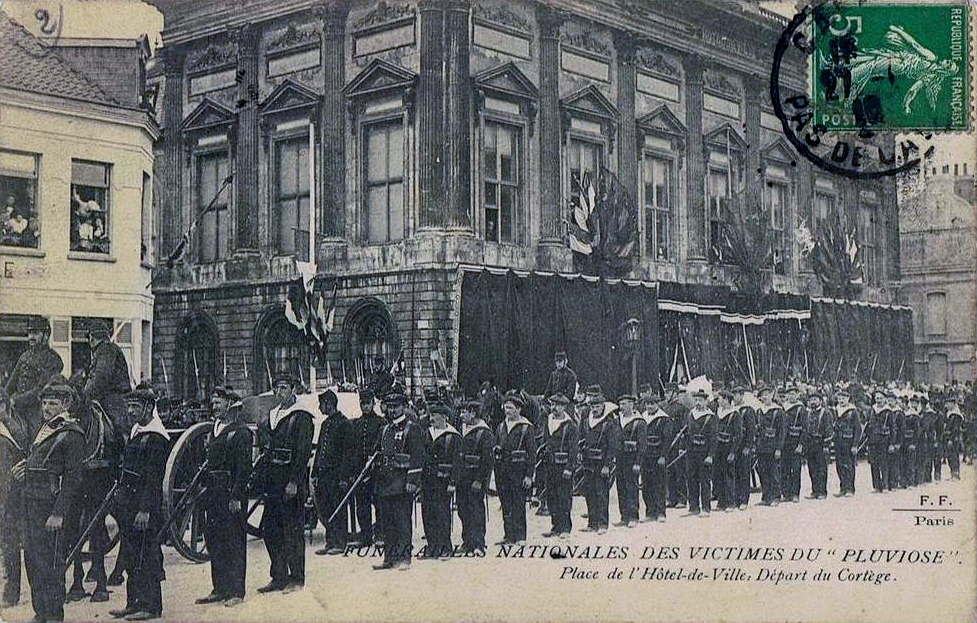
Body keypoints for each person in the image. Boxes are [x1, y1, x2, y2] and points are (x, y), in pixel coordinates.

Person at [18, 382, 86, 623]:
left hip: (50, 508)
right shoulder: (43, 429)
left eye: (53, 403)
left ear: (65, 404)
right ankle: (41, 613)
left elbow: (73, 478)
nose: (46, 408)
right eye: (44, 403)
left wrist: (59, 513)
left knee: (52, 565)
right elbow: (41, 462)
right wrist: (24, 469)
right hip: (31, 504)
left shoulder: (72, 433)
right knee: (32, 561)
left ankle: (54, 616)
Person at [108, 386, 168, 621]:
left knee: (147, 554)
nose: (130, 411)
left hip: (144, 506)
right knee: (132, 554)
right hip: (129, 504)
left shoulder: (156, 438)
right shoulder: (137, 431)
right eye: (129, 406)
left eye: (135, 407)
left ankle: (151, 605)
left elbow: (153, 479)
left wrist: (145, 510)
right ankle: (133, 602)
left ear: (149, 408)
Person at [255, 373, 314, 592]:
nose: (280, 393)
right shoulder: (272, 416)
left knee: (292, 530)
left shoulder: (302, 417)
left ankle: (297, 577)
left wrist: (294, 482)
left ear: (293, 390)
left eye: (284, 388)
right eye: (277, 389)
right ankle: (279, 576)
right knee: (271, 529)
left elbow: (302, 452)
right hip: (272, 482)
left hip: (290, 481)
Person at [196, 387, 253, 608]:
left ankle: (236, 590)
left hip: (231, 494)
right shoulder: (215, 431)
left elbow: (244, 468)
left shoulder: (241, 432)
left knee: (234, 542)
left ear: (231, 404)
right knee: (215, 541)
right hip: (214, 494)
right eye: (214, 402)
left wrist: (237, 496)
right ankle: (219, 588)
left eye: (218, 402)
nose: (214, 406)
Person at [372, 392, 425, 570]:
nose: (392, 410)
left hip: (402, 482)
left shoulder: (412, 428)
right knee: (387, 521)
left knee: (402, 520)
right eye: (389, 406)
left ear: (403, 407)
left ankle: (404, 557)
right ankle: (389, 557)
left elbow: (417, 457)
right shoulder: (385, 429)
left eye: (396, 406)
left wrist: (413, 480)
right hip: (385, 482)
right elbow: (377, 452)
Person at [4, 317, 64, 438]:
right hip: (16, 405)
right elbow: (11, 383)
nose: (31, 337)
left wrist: (15, 401)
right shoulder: (24, 356)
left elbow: (40, 390)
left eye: (35, 333)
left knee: (34, 439)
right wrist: (3, 397)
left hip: (36, 409)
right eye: (30, 332)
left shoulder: (52, 359)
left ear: (46, 335)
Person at [313, 389, 354, 556]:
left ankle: (341, 542)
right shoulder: (325, 424)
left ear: (329, 404)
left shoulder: (344, 424)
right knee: (326, 509)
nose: (319, 407)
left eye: (321, 404)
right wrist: (315, 472)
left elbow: (348, 453)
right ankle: (330, 541)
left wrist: (344, 477)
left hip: (336, 475)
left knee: (338, 508)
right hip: (324, 474)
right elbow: (320, 450)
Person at [493, 391, 537, 544]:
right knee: (505, 503)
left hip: (519, 472)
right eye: (506, 408)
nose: (508, 411)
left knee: (518, 503)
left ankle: (520, 536)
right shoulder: (501, 426)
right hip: (503, 471)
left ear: (519, 409)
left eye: (511, 408)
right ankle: (508, 535)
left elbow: (532, 454)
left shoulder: (526, 428)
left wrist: (529, 475)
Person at [0, 395, 31, 607]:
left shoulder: (4, 438)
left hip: (8, 499)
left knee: (10, 543)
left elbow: (6, 477)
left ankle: (11, 592)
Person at [420, 404, 461, 559]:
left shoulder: (453, 436)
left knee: (442, 513)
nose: (431, 420)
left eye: (435, 416)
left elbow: (458, 461)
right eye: (431, 416)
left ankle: (445, 546)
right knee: (427, 513)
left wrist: (453, 482)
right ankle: (432, 545)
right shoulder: (426, 434)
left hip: (443, 481)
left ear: (444, 417)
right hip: (427, 480)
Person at [578, 386, 621, 533]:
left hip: (602, 462)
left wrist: (607, 465)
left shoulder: (609, 423)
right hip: (588, 462)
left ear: (603, 406)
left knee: (601, 493)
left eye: (597, 406)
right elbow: (582, 439)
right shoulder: (586, 421)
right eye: (592, 406)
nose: (595, 409)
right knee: (589, 492)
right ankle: (592, 523)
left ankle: (603, 524)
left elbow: (613, 446)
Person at [457, 399, 495, 553]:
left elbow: (487, 460)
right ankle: (467, 542)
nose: (460, 415)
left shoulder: (484, 432)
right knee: (463, 509)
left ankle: (479, 543)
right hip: (462, 477)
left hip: (475, 478)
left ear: (473, 413)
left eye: (464, 412)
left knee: (476, 510)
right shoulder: (463, 429)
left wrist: (480, 480)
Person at [84, 321, 132, 441]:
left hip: (114, 398)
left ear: (91, 338)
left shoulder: (106, 349)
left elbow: (101, 377)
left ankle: (125, 453)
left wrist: (85, 394)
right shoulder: (104, 350)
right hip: (105, 396)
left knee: (118, 429)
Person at [540, 394, 578, 538]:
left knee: (564, 496)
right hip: (550, 465)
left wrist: (569, 468)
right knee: (551, 496)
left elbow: (574, 449)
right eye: (552, 404)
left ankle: (565, 528)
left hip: (563, 466)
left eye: (558, 405)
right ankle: (555, 526)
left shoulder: (570, 426)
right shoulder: (548, 422)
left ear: (564, 407)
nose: (554, 408)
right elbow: (544, 442)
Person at [349, 389, 384, 546]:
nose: (365, 407)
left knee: (379, 504)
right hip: (359, 471)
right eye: (362, 404)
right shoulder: (355, 424)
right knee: (361, 506)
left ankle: (381, 535)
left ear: (373, 403)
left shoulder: (381, 423)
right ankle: (365, 536)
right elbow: (352, 449)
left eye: (368, 403)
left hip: (376, 471)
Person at [640, 391, 673, 522]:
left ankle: (661, 512)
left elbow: (667, 439)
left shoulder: (664, 419)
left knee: (659, 484)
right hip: (645, 456)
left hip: (658, 455)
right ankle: (649, 512)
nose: (649, 407)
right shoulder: (642, 418)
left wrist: (663, 456)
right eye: (647, 404)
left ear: (657, 404)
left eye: (652, 404)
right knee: (646, 484)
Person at [614, 394, 646, 528]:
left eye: (625, 404)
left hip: (632, 458)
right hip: (620, 457)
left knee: (631, 487)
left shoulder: (639, 421)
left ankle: (633, 516)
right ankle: (624, 516)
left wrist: (638, 462)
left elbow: (642, 444)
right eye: (620, 404)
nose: (622, 407)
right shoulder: (617, 420)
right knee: (620, 486)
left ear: (632, 405)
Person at [685, 388, 716, 516]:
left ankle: (706, 508)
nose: (698, 402)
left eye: (700, 400)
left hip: (704, 452)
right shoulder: (691, 414)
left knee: (704, 480)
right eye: (696, 400)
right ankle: (694, 506)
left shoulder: (710, 417)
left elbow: (714, 438)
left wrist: (710, 455)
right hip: (692, 451)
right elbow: (686, 433)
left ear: (706, 402)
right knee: (692, 479)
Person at [755, 384, 785, 506]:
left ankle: (776, 496)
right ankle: (766, 496)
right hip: (761, 446)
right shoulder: (759, 411)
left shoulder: (778, 411)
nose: (765, 397)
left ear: (772, 395)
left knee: (773, 471)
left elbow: (782, 431)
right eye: (763, 395)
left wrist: (779, 448)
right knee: (762, 471)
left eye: (767, 394)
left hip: (773, 445)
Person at [713, 388, 741, 512]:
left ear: (726, 400)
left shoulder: (735, 414)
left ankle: (731, 502)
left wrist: (733, 452)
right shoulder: (717, 412)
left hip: (728, 447)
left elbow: (738, 435)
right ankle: (721, 502)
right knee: (718, 475)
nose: (718, 401)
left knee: (729, 475)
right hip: (718, 448)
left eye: (720, 399)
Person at [662, 382, 688, 509]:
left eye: (668, 392)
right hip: (667, 443)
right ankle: (671, 498)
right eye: (666, 392)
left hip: (677, 443)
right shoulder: (665, 408)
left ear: (675, 394)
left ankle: (681, 498)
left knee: (679, 471)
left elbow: (685, 429)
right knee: (668, 471)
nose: (666, 395)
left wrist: (682, 445)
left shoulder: (681, 408)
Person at [779, 385, 807, 503]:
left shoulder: (801, 408)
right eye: (789, 394)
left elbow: (805, 428)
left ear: (797, 395)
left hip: (795, 442)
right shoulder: (782, 408)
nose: (791, 396)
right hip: (784, 443)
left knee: (795, 470)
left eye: (793, 394)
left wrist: (801, 444)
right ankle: (786, 493)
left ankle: (795, 494)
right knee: (784, 469)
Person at [832, 388, 861, 497]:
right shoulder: (835, 410)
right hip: (838, 441)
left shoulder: (853, 411)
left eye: (843, 398)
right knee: (839, 465)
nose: (841, 400)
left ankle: (850, 489)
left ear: (848, 399)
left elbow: (858, 429)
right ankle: (842, 488)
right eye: (839, 398)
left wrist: (855, 445)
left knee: (849, 465)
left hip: (848, 441)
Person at [804, 390, 832, 500]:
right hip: (810, 444)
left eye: (815, 399)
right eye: (811, 400)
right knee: (812, 468)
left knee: (821, 469)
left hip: (821, 443)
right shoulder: (808, 413)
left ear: (820, 401)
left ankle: (822, 492)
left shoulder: (826, 413)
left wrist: (826, 445)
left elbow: (829, 430)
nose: (813, 402)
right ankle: (814, 491)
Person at [733, 386, 756, 510]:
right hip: (733, 446)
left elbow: (751, 430)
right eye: (734, 394)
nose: (735, 397)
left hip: (743, 446)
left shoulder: (747, 410)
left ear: (742, 396)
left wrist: (748, 446)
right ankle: (736, 498)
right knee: (735, 472)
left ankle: (744, 500)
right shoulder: (732, 410)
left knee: (744, 472)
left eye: (737, 395)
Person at [866, 390, 894, 492]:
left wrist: (891, 443)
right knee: (874, 464)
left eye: (880, 398)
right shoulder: (872, 410)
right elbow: (868, 424)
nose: (878, 400)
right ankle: (877, 486)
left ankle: (885, 485)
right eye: (877, 398)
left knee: (884, 463)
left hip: (884, 440)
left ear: (885, 399)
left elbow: (893, 428)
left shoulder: (888, 412)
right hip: (873, 440)